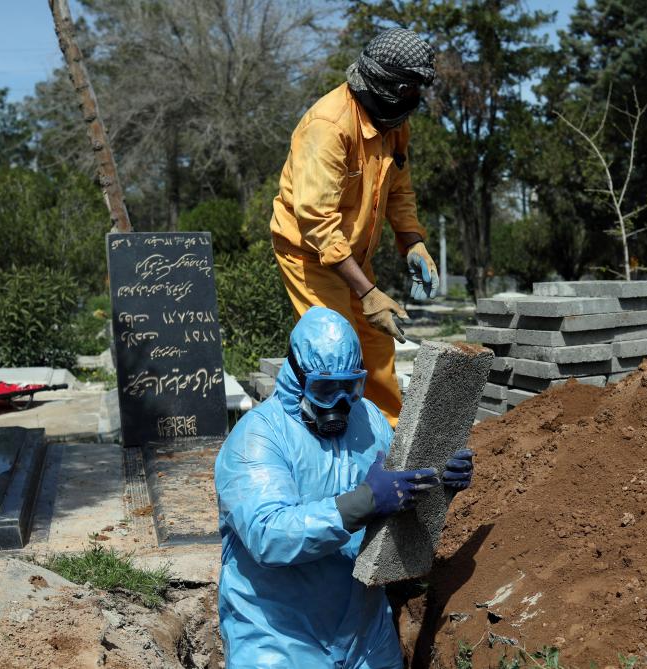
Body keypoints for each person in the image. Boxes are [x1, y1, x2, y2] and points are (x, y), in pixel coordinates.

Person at [214, 307, 474, 668]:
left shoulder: (369, 419)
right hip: (277, 633)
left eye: (349, 387)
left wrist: (439, 481)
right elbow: (268, 535)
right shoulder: (257, 438)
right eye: (324, 389)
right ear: (296, 378)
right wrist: (364, 502)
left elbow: (398, 495)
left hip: (364, 631)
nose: (339, 403)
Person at [270, 28, 440, 427]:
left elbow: (399, 189)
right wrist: (368, 293)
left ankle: (388, 436)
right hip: (310, 255)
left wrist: (413, 242)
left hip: (353, 256)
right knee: (333, 345)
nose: (417, 99)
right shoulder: (329, 126)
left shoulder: (393, 125)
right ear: (394, 88)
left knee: (377, 346)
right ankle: (324, 434)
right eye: (413, 90)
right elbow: (317, 222)